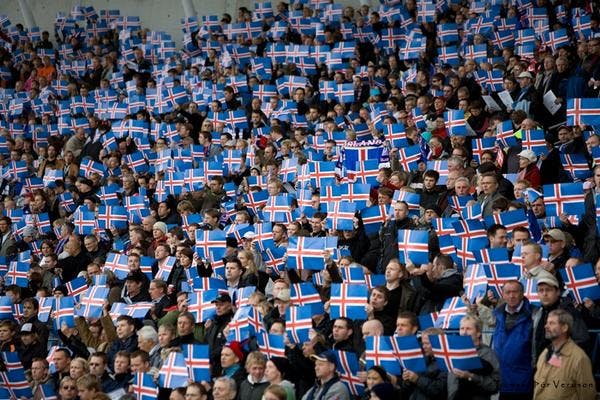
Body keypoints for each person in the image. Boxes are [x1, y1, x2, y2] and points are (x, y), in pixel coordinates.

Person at [533, 309, 596, 400]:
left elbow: (587, 395)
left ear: (564, 328)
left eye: (552, 323)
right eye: (547, 323)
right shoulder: (544, 354)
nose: (546, 326)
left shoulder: (579, 358)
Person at [492, 280, 533, 400]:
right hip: (502, 380)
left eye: (515, 292)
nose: (511, 296)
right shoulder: (498, 314)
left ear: (522, 293)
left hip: (523, 381)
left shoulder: (533, 314)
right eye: (507, 292)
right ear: (503, 294)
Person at [448, 315, 500, 400]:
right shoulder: (455, 352)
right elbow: (451, 384)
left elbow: (494, 386)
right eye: (462, 328)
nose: (464, 332)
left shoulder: (488, 354)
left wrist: (471, 377)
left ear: (478, 333)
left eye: (468, 329)